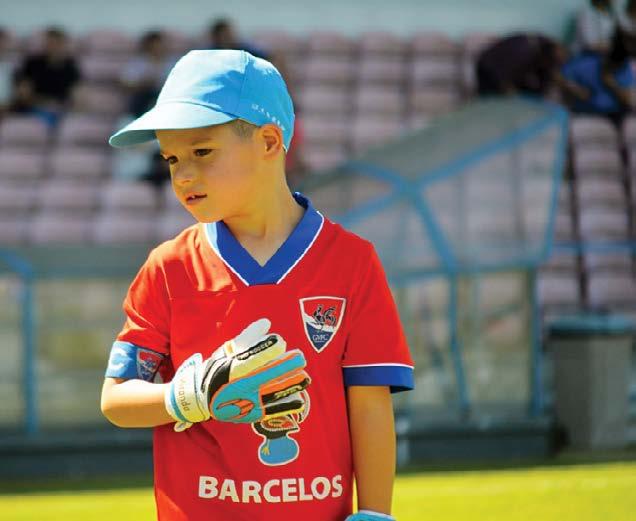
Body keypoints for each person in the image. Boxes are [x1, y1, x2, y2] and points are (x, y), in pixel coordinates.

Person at [100, 49, 414, 521]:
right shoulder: (168, 267)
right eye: (171, 158)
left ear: (269, 141)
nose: (183, 175)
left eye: (202, 152)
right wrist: (191, 395)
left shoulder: (352, 262)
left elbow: (369, 403)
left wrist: (375, 513)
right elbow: (116, 398)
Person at [559, 28, 636, 126]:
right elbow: (565, 83)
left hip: (613, 116)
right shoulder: (586, 62)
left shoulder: (626, 69)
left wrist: (610, 83)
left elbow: (629, 101)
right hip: (582, 114)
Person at [12, 26, 80, 127]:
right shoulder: (32, 63)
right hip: (36, 108)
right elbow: (24, 93)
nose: (53, 47)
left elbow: (76, 94)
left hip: (61, 109)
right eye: (50, 43)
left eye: (57, 43)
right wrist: (44, 103)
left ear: (63, 44)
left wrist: (62, 106)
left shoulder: (71, 66)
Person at [475, 33, 565, 97]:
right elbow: (503, 81)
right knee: (494, 98)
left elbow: (546, 78)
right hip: (488, 68)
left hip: (515, 66)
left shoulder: (545, 47)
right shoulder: (522, 53)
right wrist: (508, 90)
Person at [121, 30, 176, 118]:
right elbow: (126, 83)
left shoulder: (173, 62)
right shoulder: (137, 63)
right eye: (154, 45)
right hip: (144, 96)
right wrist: (142, 84)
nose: (158, 48)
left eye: (160, 45)